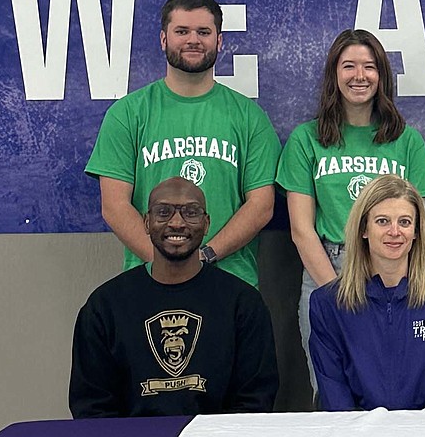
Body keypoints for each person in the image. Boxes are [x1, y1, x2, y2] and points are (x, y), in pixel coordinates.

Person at [277, 29, 425, 389]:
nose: (359, 75)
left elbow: (419, 227)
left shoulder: (406, 141)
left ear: (381, 76)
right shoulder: (307, 140)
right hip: (328, 270)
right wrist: (339, 294)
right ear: (334, 75)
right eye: (348, 66)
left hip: (395, 276)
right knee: (331, 391)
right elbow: (301, 230)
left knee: (396, 388)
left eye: (369, 67)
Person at [85, 0, 281, 287]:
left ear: (219, 41)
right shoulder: (127, 113)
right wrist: (164, 264)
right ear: (164, 39)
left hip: (230, 281)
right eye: (182, 31)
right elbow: (114, 206)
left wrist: (204, 257)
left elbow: (261, 205)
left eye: (204, 32)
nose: (193, 40)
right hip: (149, 281)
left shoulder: (250, 117)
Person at [69, 177, 279, 418]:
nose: (177, 223)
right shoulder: (104, 307)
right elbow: (92, 408)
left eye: (191, 212)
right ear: (146, 223)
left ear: (206, 223)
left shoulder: (243, 304)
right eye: (163, 212)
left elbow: (254, 402)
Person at [308, 175, 425, 411]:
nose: (395, 232)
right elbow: (335, 396)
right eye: (383, 221)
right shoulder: (328, 304)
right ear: (363, 229)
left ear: (417, 232)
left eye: (405, 222)